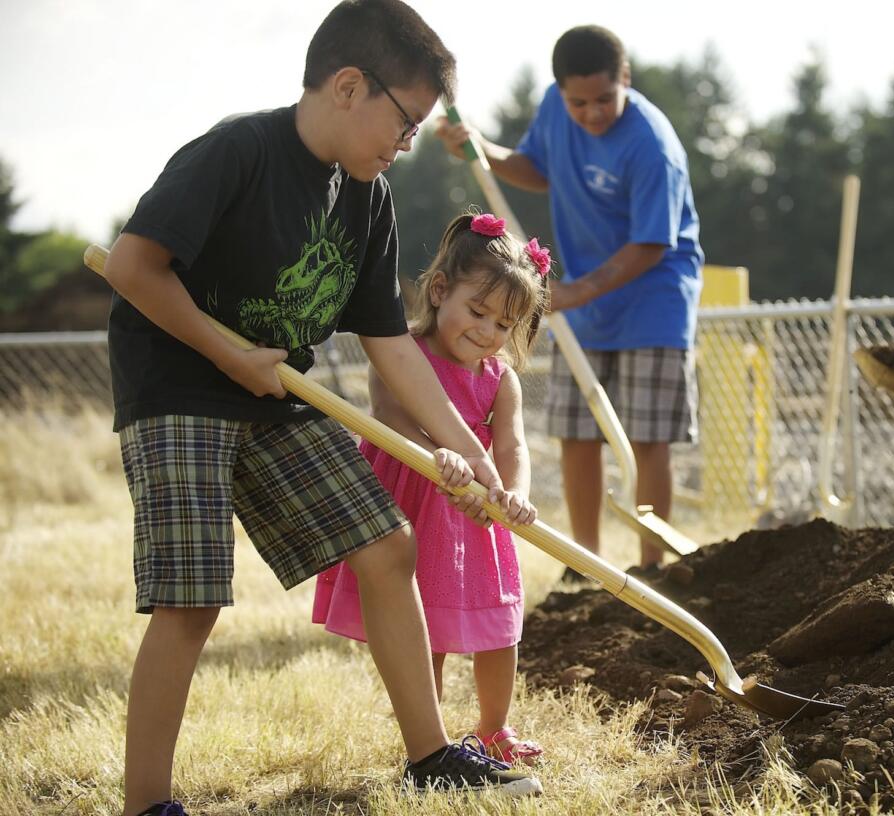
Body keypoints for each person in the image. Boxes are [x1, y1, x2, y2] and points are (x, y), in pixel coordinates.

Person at [103, 3, 542, 812]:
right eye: (405, 123)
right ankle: (147, 802)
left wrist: (475, 459)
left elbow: (393, 345)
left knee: (387, 546)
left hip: (275, 393)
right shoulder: (238, 151)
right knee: (191, 598)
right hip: (178, 386)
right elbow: (133, 266)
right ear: (350, 86)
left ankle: (430, 755)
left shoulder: (365, 199)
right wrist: (227, 351)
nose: (406, 145)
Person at [435, 25, 703, 572]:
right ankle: (586, 565)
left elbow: (653, 243)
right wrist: (482, 149)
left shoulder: (653, 146)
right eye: (578, 102)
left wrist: (573, 293)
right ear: (560, 92)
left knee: (648, 437)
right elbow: (535, 169)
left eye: (604, 99)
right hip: (581, 297)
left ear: (624, 79)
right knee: (579, 432)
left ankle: (653, 569)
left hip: (651, 298)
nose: (591, 113)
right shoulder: (557, 111)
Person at [313, 212, 549, 766]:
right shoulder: (402, 351)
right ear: (439, 290)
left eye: (504, 324)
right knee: (430, 627)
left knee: (499, 625)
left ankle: (495, 729)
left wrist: (514, 493)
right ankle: (435, 742)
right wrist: (431, 447)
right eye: (478, 311)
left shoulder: (500, 378)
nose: (489, 332)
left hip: (473, 509)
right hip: (412, 502)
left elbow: (513, 447)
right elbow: (388, 413)